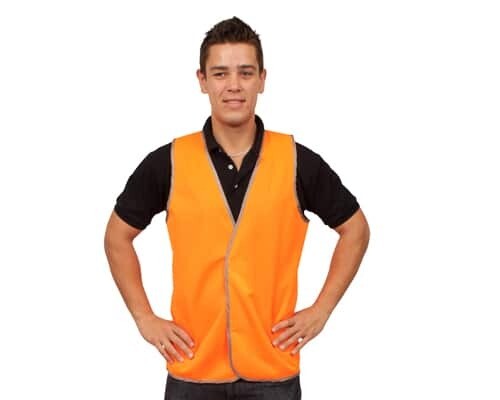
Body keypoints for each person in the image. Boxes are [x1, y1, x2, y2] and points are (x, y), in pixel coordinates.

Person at [104, 16, 370, 400]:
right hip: (192, 370)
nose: (233, 85)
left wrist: (321, 310)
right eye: (220, 73)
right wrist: (144, 318)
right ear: (202, 80)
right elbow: (117, 237)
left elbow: (356, 229)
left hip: (273, 372)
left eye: (245, 73)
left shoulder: (298, 161)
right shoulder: (168, 162)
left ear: (262, 79)